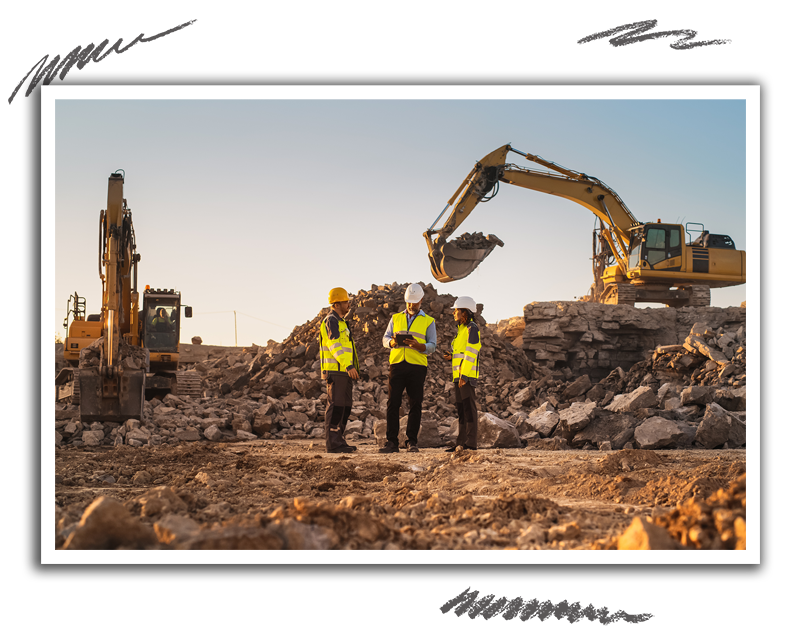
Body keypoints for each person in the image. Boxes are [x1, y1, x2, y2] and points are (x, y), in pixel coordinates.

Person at [378, 283, 437, 453]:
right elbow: (385, 339)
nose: (411, 305)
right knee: (393, 403)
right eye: (409, 302)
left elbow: (433, 345)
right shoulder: (396, 318)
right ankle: (392, 442)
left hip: (417, 366)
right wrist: (392, 342)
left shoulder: (429, 321)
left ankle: (412, 442)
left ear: (421, 300)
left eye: (415, 302)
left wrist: (420, 346)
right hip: (397, 365)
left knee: (415, 404)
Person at [319, 287, 360, 454]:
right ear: (336, 304)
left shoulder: (342, 322)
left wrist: (352, 367)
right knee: (336, 406)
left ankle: (339, 440)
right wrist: (348, 365)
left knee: (345, 406)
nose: (348, 304)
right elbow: (334, 345)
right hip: (336, 370)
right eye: (345, 302)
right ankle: (333, 444)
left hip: (344, 371)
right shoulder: (331, 321)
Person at [442, 296, 481, 451]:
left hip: (467, 376)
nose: (454, 313)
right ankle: (461, 443)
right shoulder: (462, 330)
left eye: (456, 310)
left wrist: (464, 375)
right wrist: (451, 356)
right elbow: (461, 353)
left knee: (469, 408)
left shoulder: (472, 328)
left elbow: (471, 353)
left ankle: (470, 443)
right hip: (459, 376)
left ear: (465, 311)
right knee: (461, 409)